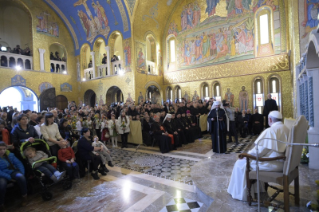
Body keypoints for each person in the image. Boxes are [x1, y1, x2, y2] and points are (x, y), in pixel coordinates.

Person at [227, 111, 289, 201]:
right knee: (247, 161)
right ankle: (257, 190)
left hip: (273, 163)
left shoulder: (271, 131)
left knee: (240, 163)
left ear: (270, 119)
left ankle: (241, 194)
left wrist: (246, 155)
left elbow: (259, 151)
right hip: (282, 161)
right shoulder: (286, 128)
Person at [0, 141, 27, 211]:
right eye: (0, 149)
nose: (2, 151)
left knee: (20, 177)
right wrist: (9, 177)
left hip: (12, 171)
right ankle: (1, 204)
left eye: (4, 149)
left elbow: (18, 163)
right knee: (2, 184)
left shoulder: (10, 155)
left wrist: (22, 173)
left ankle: (24, 197)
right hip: (2, 174)